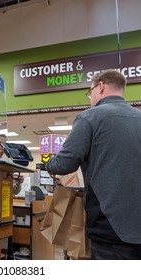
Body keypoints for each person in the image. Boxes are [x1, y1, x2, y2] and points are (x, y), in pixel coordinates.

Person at [46, 69, 141, 260]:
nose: (90, 99)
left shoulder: (90, 117)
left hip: (109, 225)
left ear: (100, 86)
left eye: (90, 93)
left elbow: (65, 164)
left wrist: (49, 163)